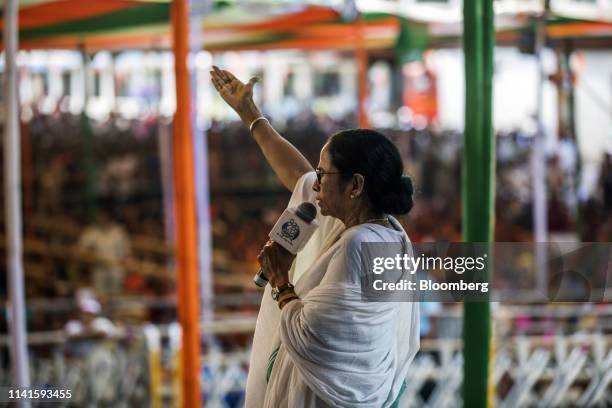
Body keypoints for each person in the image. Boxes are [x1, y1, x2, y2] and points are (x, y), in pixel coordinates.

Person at [211, 66, 419, 407]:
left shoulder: (357, 245)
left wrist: (280, 278)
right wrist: (249, 114)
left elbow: (311, 337)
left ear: (355, 185)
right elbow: (298, 174)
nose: (316, 183)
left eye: (324, 173)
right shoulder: (383, 233)